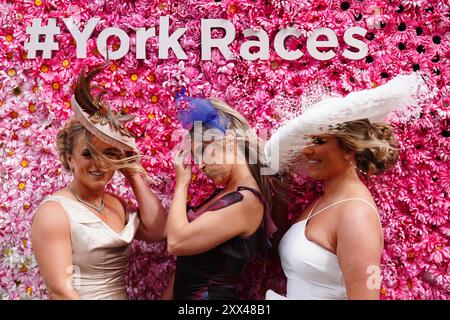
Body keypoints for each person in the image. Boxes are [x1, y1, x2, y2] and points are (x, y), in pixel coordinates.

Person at [264, 73, 422, 300]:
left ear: (349, 150)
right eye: (307, 142)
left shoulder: (356, 214)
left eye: (318, 141)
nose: (307, 150)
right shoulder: (324, 201)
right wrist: (281, 190)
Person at [31, 67, 167, 300]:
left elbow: (158, 230)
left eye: (110, 154)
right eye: (87, 154)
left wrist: (131, 170)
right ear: (69, 159)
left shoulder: (115, 204)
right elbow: (60, 292)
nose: (99, 163)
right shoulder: (54, 213)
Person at [167, 92, 277, 299]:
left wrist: (181, 184)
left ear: (228, 141)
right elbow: (184, 264)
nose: (200, 165)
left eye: (203, 151)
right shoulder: (225, 194)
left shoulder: (247, 201)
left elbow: (176, 242)